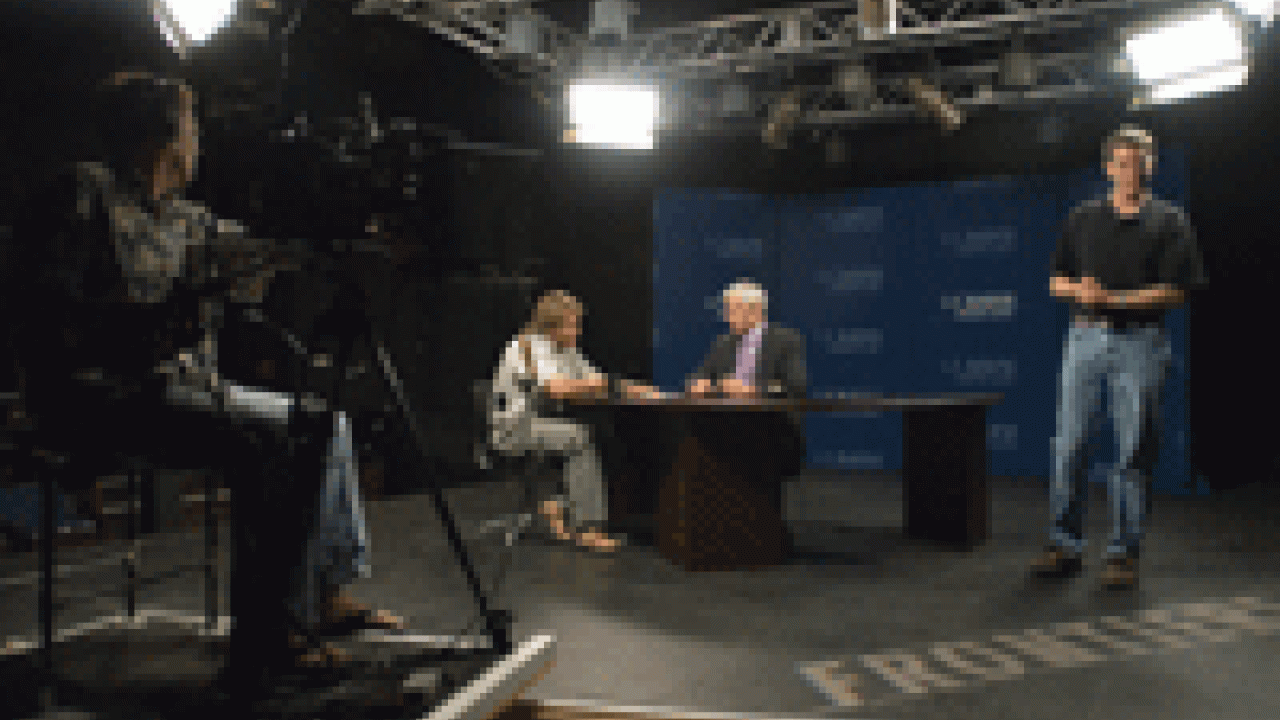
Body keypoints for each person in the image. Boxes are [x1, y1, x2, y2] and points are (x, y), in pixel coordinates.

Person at [6, 70, 402, 679]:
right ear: (163, 137)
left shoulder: (190, 220)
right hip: (101, 397)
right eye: (193, 127)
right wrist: (157, 327)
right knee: (277, 438)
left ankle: (323, 593)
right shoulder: (84, 194)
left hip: (183, 391)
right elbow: (48, 319)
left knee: (326, 422)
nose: (200, 142)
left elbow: (266, 256)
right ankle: (269, 637)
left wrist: (345, 231)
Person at [1035, 124, 1208, 589]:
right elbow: (1056, 282)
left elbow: (1176, 292)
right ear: (1109, 167)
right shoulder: (1082, 218)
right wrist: (1081, 290)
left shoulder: (1170, 221)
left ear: (1152, 166)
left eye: (1140, 163)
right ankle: (1063, 545)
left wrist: (1114, 298)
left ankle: (1122, 553)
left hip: (1140, 343)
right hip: (1084, 339)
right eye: (1123, 163)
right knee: (1069, 445)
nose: (1132, 171)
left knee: (1133, 452)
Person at [488, 290, 629, 552]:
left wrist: (643, 390)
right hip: (514, 428)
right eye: (572, 325)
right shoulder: (527, 347)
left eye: (578, 325)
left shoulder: (567, 350)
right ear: (551, 326)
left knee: (604, 433)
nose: (578, 332)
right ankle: (587, 529)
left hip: (542, 423)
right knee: (579, 437)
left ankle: (555, 505)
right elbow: (556, 388)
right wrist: (603, 384)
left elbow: (599, 380)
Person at [684, 279, 808, 480]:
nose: (726, 316)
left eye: (732, 309)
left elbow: (796, 385)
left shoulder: (785, 340)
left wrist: (754, 390)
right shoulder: (724, 342)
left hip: (769, 426)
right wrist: (700, 383)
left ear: (754, 310)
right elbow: (700, 374)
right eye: (726, 310)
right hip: (726, 423)